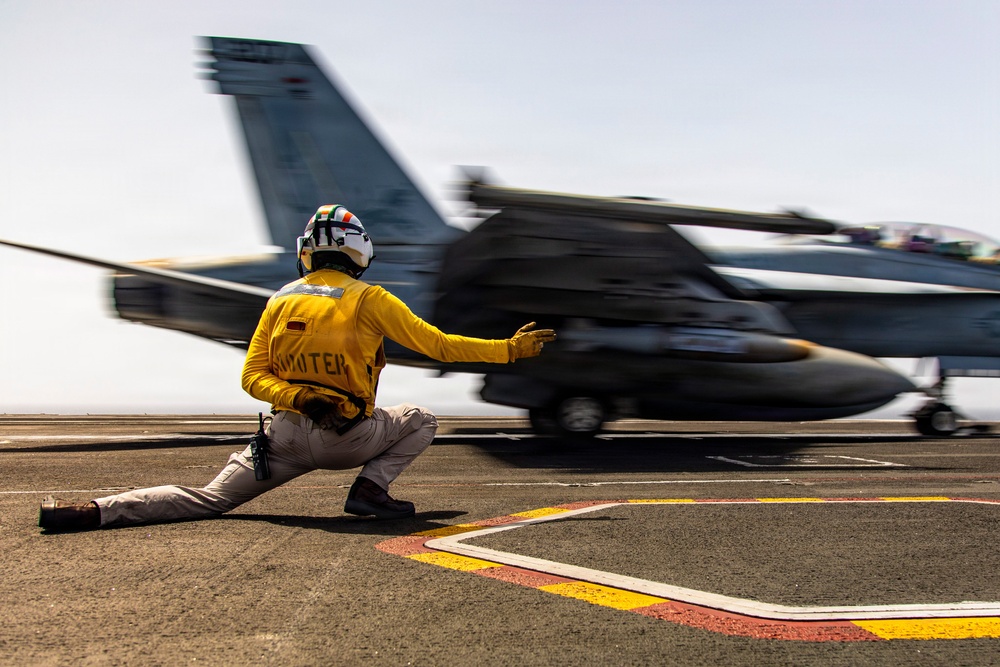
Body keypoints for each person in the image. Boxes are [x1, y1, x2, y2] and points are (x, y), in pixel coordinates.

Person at [39, 204, 556, 532]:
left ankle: (92, 510)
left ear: (306, 253)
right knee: (420, 417)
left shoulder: (278, 302)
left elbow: (251, 378)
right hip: (348, 439)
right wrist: (508, 351)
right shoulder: (370, 297)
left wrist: (298, 398)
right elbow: (438, 346)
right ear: (360, 253)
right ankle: (370, 490)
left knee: (207, 499)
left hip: (282, 439)